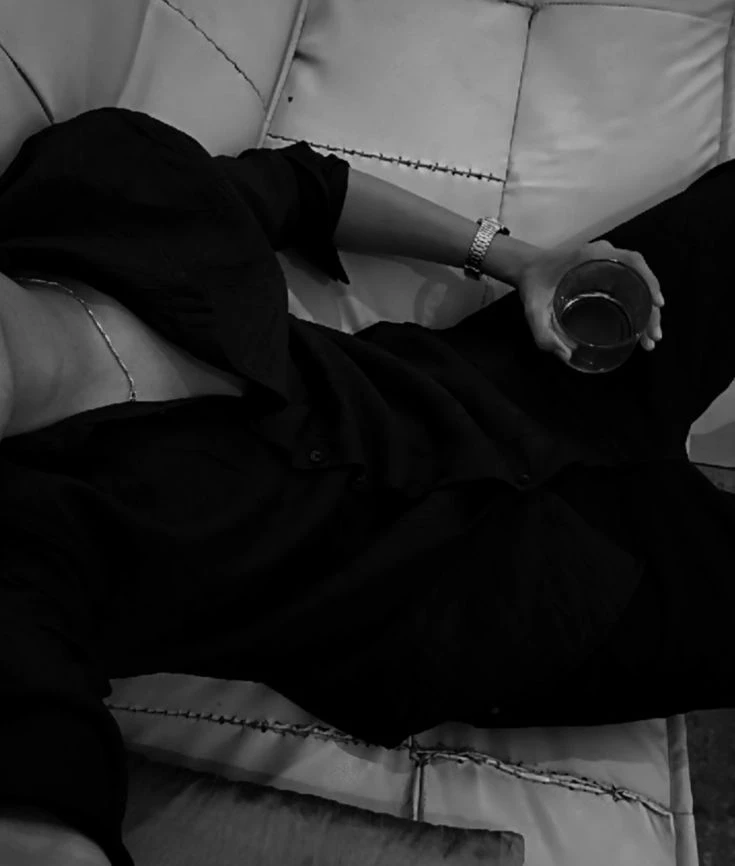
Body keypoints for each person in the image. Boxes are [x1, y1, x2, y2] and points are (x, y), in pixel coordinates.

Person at [0, 106, 733, 866]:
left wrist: (519, 260)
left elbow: (308, 187)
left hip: (518, 375)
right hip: (519, 606)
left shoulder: (92, 189)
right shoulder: (21, 560)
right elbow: (47, 801)